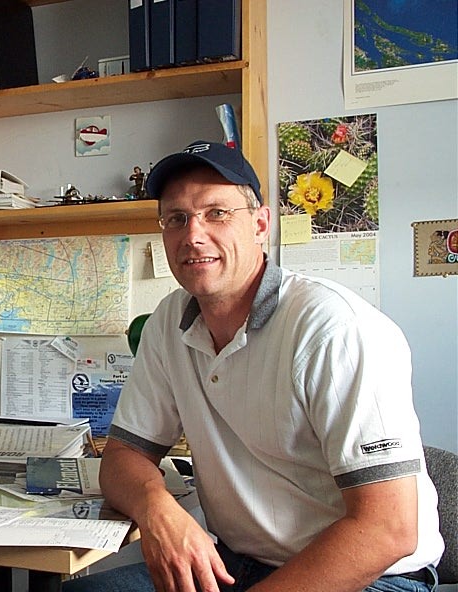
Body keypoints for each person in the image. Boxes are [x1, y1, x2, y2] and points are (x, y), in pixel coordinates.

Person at [65, 140, 443, 592]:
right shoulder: (169, 321)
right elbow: (123, 458)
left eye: (217, 213)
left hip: (367, 577)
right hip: (237, 563)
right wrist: (158, 510)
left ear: (261, 224)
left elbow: (388, 529)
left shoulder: (335, 329)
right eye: (176, 219)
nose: (193, 235)